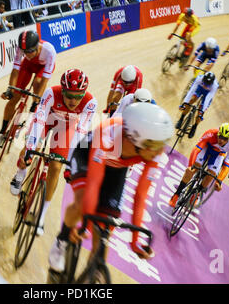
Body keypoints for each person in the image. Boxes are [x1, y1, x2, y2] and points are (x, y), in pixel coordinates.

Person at [48, 102, 174, 273]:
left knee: (104, 233)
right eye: (155, 145)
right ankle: (62, 240)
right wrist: (85, 222)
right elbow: (93, 182)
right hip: (87, 155)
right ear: (137, 139)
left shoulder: (154, 153)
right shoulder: (108, 134)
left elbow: (141, 195)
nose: (160, 152)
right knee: (81, 203)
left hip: (116, 169)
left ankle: (94, 274)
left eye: (162, 145)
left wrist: (135, 241)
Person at [10, 69, 97, 236]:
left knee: (56, 167)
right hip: (46, 120)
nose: (73, 101)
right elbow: (39, 120)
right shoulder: (51, 93)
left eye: (78, 96)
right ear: (62, 91)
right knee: (31, 148)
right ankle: (20, 173)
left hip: (67, 128)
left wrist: (71, 163)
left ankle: (41, 216)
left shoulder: (90, 102)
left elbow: (80, 132)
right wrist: (30, 147)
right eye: (69, 95)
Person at [0, 30, 57, 147]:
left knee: (37, 82)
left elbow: (44, 81)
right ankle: (2, 132)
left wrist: (37, 100)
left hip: (43, 68)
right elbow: (16, 69)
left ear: (37, 46)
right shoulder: (21, 48)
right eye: (25, 52)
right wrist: (10, 89)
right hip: (28, 66)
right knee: (14, 98)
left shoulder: (49, 51)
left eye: (30, 51)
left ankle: (33, 110)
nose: (27, 54)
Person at [169, 122, 229, 207]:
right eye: (220, 137)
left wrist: (219, 181)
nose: (221, 140)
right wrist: (191, 166)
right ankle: (176, 195)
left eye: (225, 139)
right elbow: (196, 150)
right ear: (218, 133)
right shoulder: (211, 133)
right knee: (193, 169)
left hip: (219, 154)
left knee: (211, 175)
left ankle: (196, 194)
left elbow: (226, 166)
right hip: (207, 147)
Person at [175, 71, 218, 138]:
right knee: (191, 100)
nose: (205, 86)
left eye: (207, 85)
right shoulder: (199, 78)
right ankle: (181, 119)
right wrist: (185, 102)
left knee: (200, 112)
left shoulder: (215, 86)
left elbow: (208, 99)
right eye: (204, 83)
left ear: (211, 83)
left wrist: (202, 111)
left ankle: (194, 127)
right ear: (203, 79)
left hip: (208, 94)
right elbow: (191, 91)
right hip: (199, 89)